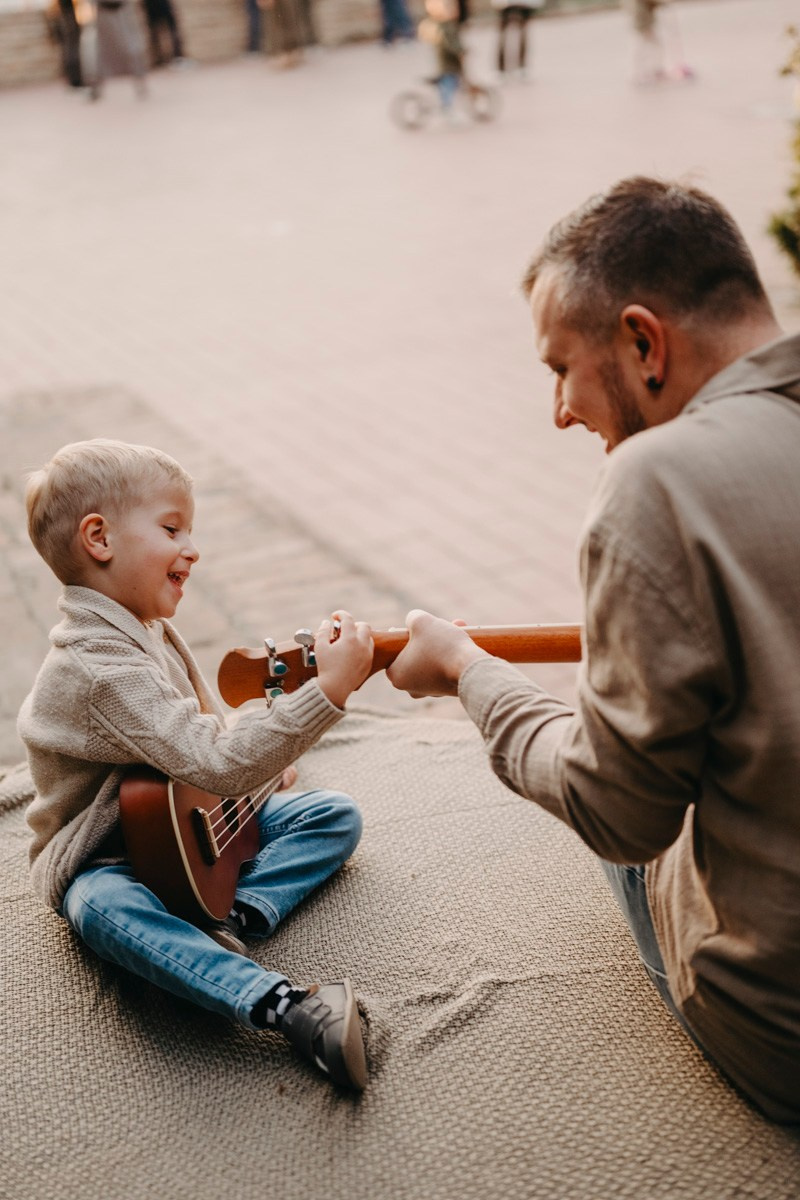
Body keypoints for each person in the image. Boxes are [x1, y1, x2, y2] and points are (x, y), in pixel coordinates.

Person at [386, 177, 800, 1124]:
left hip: (781, 1031)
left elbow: (620, 814)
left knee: (618, 800)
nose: (562, 413)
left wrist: (464, 670)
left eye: (559, 369)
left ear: (644, 341)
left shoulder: (657, 482)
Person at [18, 439, 374, 1090]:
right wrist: (325, 693)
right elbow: (216, 758)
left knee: (331, 815)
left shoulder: (144, 625)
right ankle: (285, 1006)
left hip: (180, 832)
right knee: (97, 909)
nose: (194, 548)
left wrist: (264, 768)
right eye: (172, 528)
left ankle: (227, 917)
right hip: (105, 854)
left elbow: (203, 737)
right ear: (99, 538)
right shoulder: (98, 668)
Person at [418, 0, 465, 115]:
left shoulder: (437, 25)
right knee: (448, 86)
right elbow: (451, 44)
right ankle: (446, 108)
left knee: (449, 84)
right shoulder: (446, 27)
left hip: (445, 64)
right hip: (448, 65)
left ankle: (447, 106)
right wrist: (461, 51)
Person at [491, 0, 543, 82]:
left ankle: (519, 66)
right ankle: (503, 68)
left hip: (523, 4)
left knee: (521, 32)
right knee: (507, 34)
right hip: (508, 4)